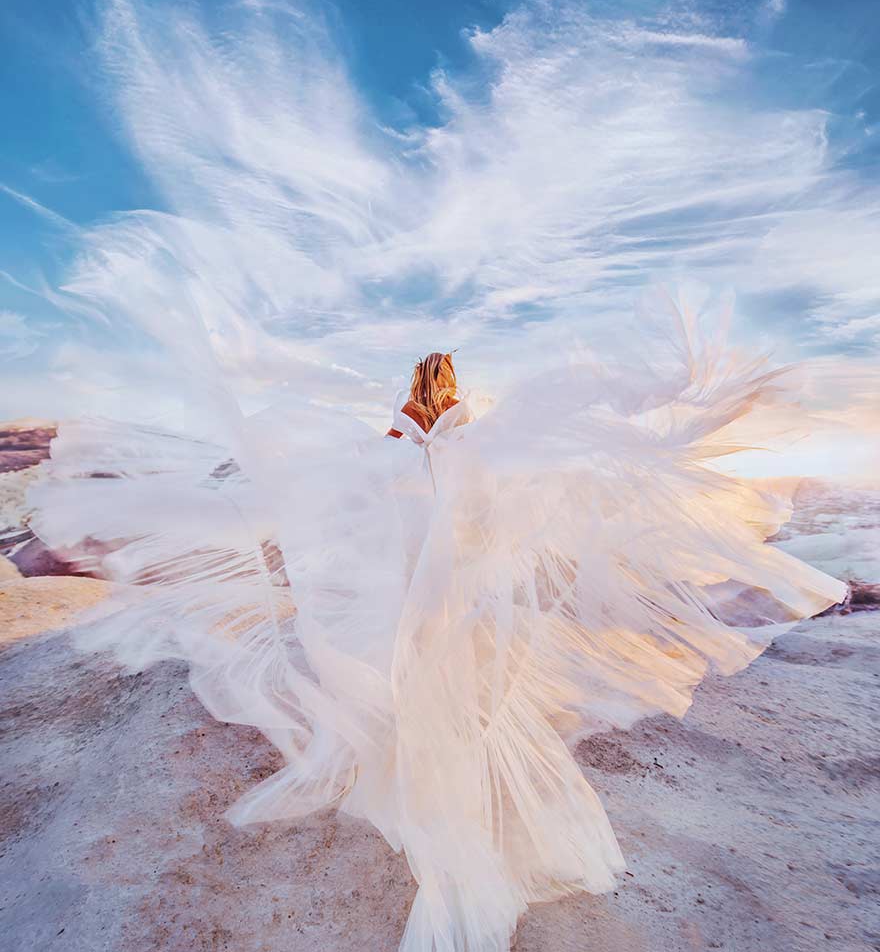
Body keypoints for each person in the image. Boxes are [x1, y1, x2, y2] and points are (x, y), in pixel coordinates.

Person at [28, 306, 846, 952]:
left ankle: (438, 833)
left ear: (407, 398)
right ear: (458, 397)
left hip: (398, 622)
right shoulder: (481, 457)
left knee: (409, 724)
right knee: (461, 730)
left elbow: (319, 518)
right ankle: (465, 831)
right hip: (465, 623)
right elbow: (535, 500)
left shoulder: (386, 459)